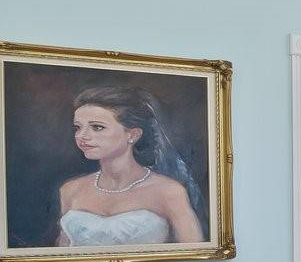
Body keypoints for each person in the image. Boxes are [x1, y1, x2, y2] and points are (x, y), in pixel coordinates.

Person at [54, 85, 206, 246]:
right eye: (78, 127)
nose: (82, 136)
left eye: (97, 127)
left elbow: (194, 252)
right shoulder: (70, 190)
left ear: (132, 135)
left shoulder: (169, 192)